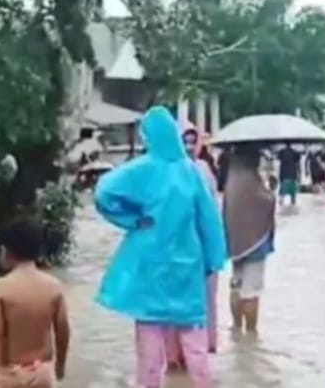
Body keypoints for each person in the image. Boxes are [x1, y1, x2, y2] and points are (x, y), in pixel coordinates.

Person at [95, 106, 226, 388]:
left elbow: (103, 192)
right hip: (187, 266)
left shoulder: (140, 170)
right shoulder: (193, 173)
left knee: (149, 345)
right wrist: (214, 260)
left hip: (150, 266)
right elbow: (210, 220)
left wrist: (130, 219)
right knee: (195, 342)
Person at [0, 218, 70, 388]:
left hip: (10, 373)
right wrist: (60, 366)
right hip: (42, 371)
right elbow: (63, 330)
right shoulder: (53, 286)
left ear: (5, 251)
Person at [165, 122, 221, 371]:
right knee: (171, 302)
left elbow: (212, 213)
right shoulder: (164, 171)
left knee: (202, 300)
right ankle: (173, 355)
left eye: (192, 141)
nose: (188, 146)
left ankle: (198, 353)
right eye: (183, 140)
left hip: (200, 247)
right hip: (170, 249)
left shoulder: (204, 169)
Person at [223, 145, 276, 334]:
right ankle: (252, 334)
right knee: (251, 291)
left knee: (236, 284)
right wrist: (271, 188)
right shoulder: (251, 180)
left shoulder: (233, 178)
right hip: (255, 243)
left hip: (235, 243)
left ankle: (236, 328)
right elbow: (267, 202)